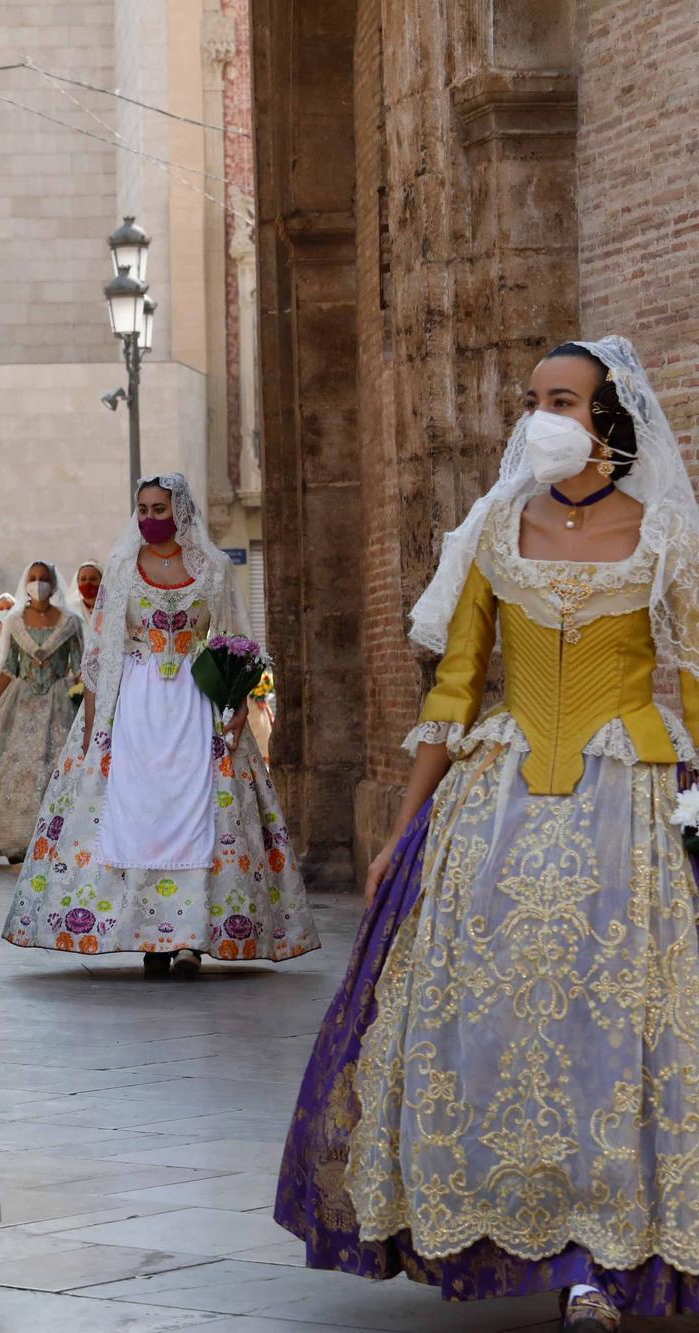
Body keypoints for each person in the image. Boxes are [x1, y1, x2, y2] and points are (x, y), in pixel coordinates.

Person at [275, 338, 699, 1333]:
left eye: (561, 400)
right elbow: (454, 686)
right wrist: (409, 819)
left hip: (626, 804)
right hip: (494, 806)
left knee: (621, 1024)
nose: (538, 416)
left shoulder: (665, 532)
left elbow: (692, 681)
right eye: (531, 399)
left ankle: (609, 1249)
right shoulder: (490, 530)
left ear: (605, 420)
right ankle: (520, 1230)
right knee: (495, 1032)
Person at [0, 474, 318, 976]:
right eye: (143, 510)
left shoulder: (213, 569)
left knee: (204, 814)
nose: (150, 518)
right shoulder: (123, 568)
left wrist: (237, 706)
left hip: (198, 701)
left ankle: (191, 938)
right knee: (141, 809)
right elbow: (103, 651)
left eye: (159, 509)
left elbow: (235, 642)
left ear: (181, 510)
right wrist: (90, 729)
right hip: (135, 705)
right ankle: (152, 939)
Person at [0, 560, 83, 859]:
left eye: (43, 578)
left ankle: (54, 835)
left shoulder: (70, 623)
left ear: (54, 584)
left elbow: (80, 666)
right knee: (18, 767)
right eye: (33, 578)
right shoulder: (15, 621)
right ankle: (18, 840)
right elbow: (8, 667)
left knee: (52, 765)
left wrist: (82, 700)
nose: (38, 583)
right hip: (20, 701)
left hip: (59, 700)